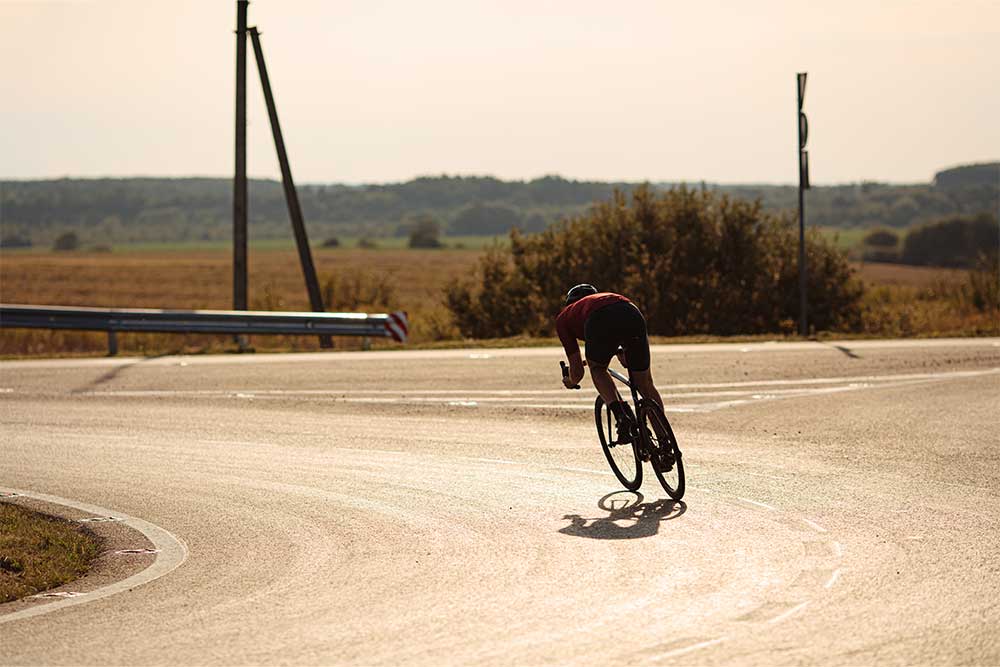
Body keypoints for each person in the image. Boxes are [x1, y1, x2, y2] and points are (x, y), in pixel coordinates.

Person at [556, 284, 664, 442]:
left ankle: (622, 417)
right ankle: (665, 441)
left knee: (598, 369)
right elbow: (622, 349)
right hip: (630, 310)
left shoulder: (564, 317)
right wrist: (621, 352)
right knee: (644, 383)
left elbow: (577, 372)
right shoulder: (603, 298)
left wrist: (571, 381)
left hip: (598, 320)